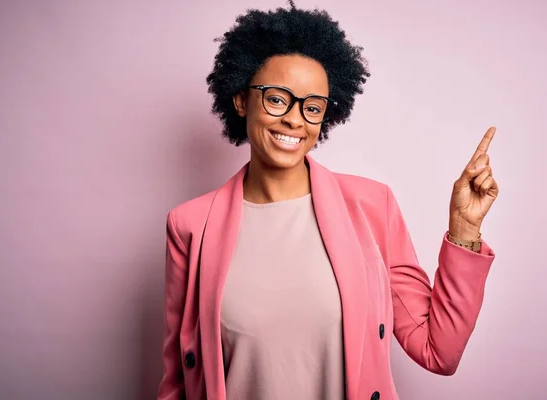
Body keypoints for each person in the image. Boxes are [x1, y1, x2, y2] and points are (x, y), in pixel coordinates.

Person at [157, 2, 498, 399]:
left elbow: (438, 351)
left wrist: (465, 230)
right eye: (276, 98)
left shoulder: (372, 206)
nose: (295, 119)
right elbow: (177, 380)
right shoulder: (190, 226)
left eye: (312, 107)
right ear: (241, 100)